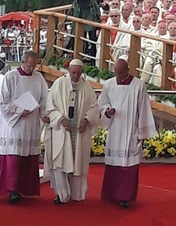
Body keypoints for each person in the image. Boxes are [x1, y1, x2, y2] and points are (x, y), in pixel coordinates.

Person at [0, 50, 48, 204]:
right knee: (14, 157)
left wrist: (44, 114)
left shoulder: (38, 77)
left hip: (32, 121)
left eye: (34, 66)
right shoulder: (10, 77)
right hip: (15, 124)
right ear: (22, 62)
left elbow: (44, 99)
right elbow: (3, 102)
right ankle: (12, 190)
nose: (31, 69)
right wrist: (20, 111)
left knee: (27, 157)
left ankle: (25, 188)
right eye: (29, 66)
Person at [98, 59, 156, 208]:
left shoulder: (138, 86)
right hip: (115, 128)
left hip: (131, 130)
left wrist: (142, 133)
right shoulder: (109, 84)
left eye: (121, 73)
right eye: (116, 73)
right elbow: (102, 103)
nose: (119, 76)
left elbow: (143, 110)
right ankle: (111, 194)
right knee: (114, 163)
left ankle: (125, 197)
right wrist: (107, 111)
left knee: (128, 165)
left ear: (128, 70)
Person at [45, 58, 99, 204]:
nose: (75, 76)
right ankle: (61, 194)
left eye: (78, 73)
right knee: (60, 162)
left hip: (79, 132)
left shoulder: (87, 86)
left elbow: (94, 107)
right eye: (73, 73)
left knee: (78, 162)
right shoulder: (59, 84)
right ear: (69, 70)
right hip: (62, 130)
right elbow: (50, 106)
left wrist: (86, 119)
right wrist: (61, 119)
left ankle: (77, 194)